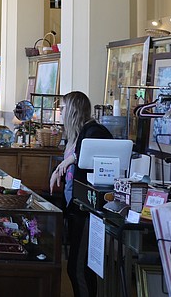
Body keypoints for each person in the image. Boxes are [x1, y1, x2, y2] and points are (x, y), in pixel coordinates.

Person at [50, 90, 112, 297]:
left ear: (74, 109)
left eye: (63, 108)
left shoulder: (94, 130)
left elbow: (94, 147)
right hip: (75, 208)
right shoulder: (75, 136)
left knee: (79, 268)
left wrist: (68, 161)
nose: (61, 112)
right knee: (76, 266)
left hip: (87, 210)